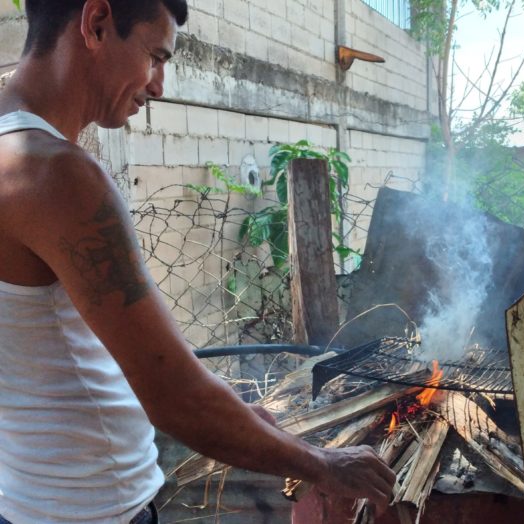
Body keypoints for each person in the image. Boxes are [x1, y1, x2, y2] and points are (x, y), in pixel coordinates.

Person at [0, 1, 396, 522]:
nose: (159, 85)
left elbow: (69, 350)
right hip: (91, 511)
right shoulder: (57, 176)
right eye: (154, 56)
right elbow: (174, 394)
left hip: (25, 500)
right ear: (97, 23)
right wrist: (323, 463)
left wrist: (233, 412)